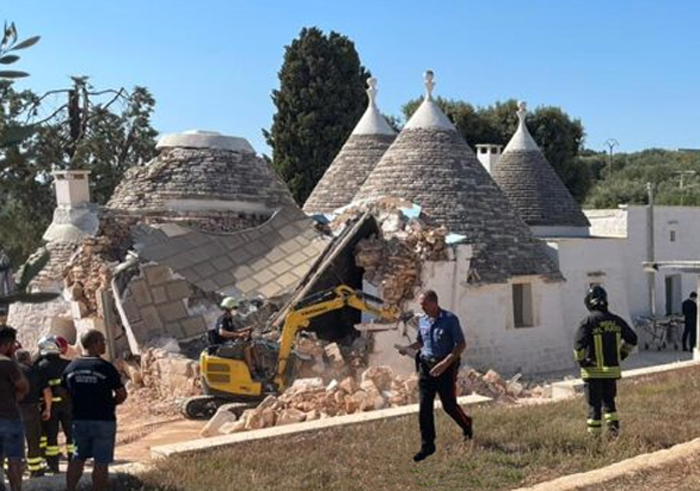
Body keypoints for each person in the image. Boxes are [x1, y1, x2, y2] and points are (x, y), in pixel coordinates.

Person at [396, 290, 473, 462]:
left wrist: (445, 363)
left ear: (433, 303)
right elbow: (421, 342)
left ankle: (467, 424)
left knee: (449, 405)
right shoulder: (422, 320)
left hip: (445, 367)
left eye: (423, 304)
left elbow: (460, 344)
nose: (421, 308)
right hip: (425, 367)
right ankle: (427, 446)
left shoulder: (450, 319)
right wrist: (408, 348)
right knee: (424, 407)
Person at [63, 329, 127, 491]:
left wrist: (77, 402)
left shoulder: (71, 367)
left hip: (79, 420)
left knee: (78, 458)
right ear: (95, 343)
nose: (105, 344)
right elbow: (121, 394)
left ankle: (70, 488)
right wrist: (111, 403)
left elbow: (62, 392)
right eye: (103, 341)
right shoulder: (105, 368)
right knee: (101, 461)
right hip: (103, 420)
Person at [574, 286, 638, 437]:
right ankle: (614, 434)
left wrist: (583, 362)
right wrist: (621, 354)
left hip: (593, 373)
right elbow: (632, 339)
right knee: (610, 404)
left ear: (589, 303)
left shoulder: (587, 322)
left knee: (594, 407)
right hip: (611, 372)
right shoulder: (616, 321)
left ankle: (594, 439)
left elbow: (578, 346)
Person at [36, 335, 73, 473]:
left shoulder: (40, 366)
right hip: (68, 405)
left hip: (49, 407)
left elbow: (43, 389)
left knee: (51, 437)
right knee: (71, 435)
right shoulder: (68, 364)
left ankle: (53, 467)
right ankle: (74, 463)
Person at [0, 327, 29, 491]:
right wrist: (15, 398)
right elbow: (23, 386)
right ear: (9, 344)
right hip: (9, 417)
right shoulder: (7, 363)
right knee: (14, 459)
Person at [15, 350, 51, 478]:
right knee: (33, 439)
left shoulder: (9, 370)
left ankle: (13, 470)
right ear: (28, 358)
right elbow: (47, 391)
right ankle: (35, 470)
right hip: (30, 409)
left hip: (11, 410)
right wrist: (48, 409)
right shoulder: (34, 371)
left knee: (13, 439)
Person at [213, 297, 262, 377]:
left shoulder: (229, 319)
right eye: (235, 308)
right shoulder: (222, 319)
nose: (236, 310)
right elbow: (222, 332)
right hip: (223, 346)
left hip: (230, 344)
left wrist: (246, 329)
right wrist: (238, 335)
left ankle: (259, 369)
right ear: (229, 308)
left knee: (253, 346)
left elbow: (233, 332)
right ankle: (251, 372)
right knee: (247, 348)